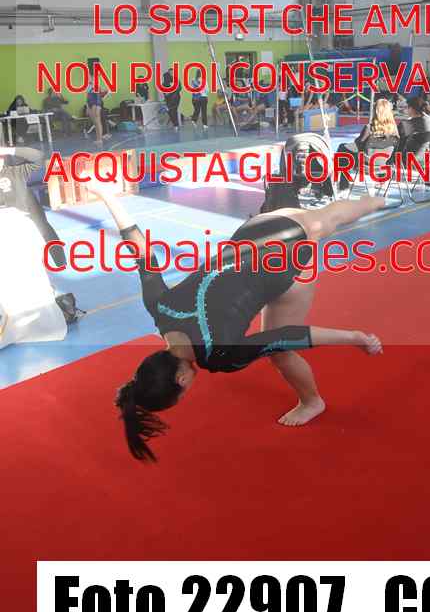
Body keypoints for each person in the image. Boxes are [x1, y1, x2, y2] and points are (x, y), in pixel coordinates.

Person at [82, 172, 384, 461]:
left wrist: (353, 337)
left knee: (281, 353)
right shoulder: (159, 308)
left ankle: (312, 402)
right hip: (261, 230)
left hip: (288, 264)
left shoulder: (219, 355)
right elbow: (141, 252)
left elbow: (284, 337)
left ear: (181, 378)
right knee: (328, 218)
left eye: (182, 394)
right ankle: (375, 200)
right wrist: (107, 196)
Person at [0, 146, 66, 269]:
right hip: (6, 222)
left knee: (44, 230)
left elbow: (38, 157)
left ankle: (61, 262)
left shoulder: (16, 172)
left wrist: (8, 150)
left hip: (25, 214)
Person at [87, 71, 111, 146]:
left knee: (97, 121)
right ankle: (99, 138)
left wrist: (105, 92)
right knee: (95, 121)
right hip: (90, 101)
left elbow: (100, 95)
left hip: (95, 102)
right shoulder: (89, 85)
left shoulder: (96, 84)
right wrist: (87, 105)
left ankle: (99, 139)